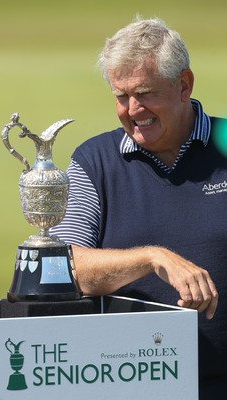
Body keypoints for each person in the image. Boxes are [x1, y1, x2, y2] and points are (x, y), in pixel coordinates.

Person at [50, 17, 227, 398]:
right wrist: (152, 258)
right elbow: (63, 267)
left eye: (144, 93)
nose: (132, 109)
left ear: (184, 85)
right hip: (128, 384)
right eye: (121, 96)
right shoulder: (93, 160)